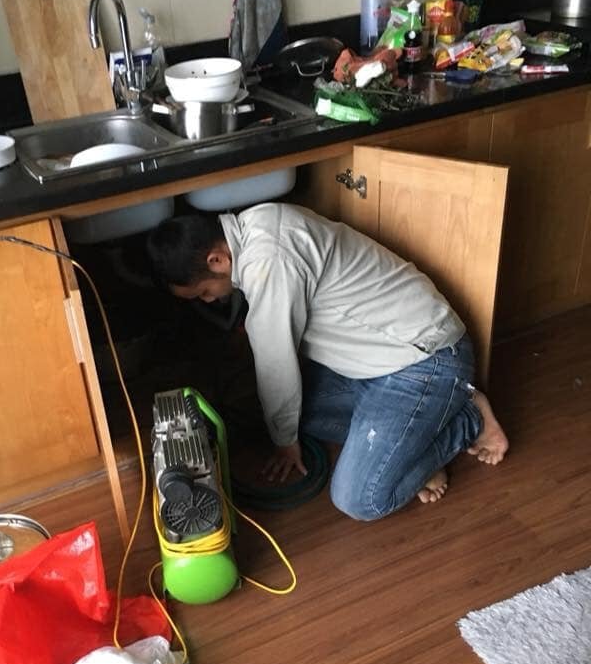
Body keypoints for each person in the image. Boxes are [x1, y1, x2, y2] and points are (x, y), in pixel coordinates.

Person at [145, 202, 508, 521]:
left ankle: (465, 421)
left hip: (424, 360)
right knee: (291, 413)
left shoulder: (269, 261)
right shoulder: (258, 221)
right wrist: (284, 428)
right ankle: (416, 436)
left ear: (217, 260)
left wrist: (285, 443)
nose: (208, 301)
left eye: (204, 292)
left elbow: (276, 364)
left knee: (360, 498)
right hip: (376, 361)